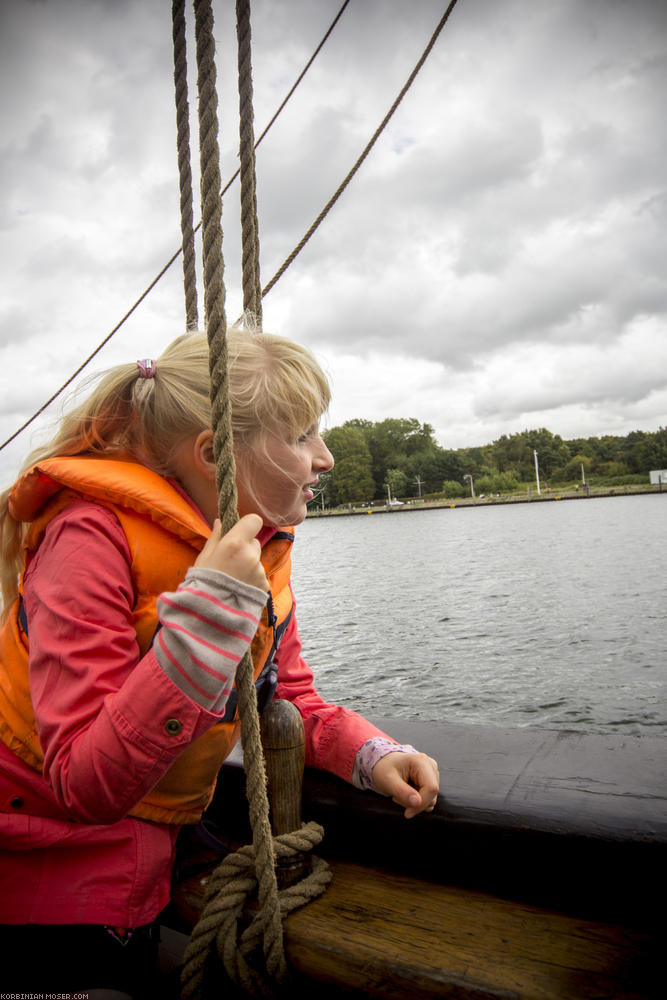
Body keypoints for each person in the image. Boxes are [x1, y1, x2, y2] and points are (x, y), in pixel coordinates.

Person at [0, 327, 439, 996]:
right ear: (213, 454)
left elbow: (284, 694)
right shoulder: (89, 538)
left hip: (159, 845)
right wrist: (207, 618)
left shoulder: (256, 552)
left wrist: (369, 752)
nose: (323, 458)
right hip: (44, 866)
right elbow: (81, 785)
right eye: (300, 437)